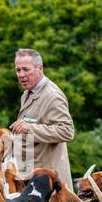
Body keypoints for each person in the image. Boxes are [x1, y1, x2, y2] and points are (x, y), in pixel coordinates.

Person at [10, 48, 74, 190]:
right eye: (18, 70)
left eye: (26, 69)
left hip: (48, 184)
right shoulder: (28, 92)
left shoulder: (52, 96)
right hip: (30, 177)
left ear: (40, 68)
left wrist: (29, 128)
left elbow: (67, 131)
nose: (21, 75)